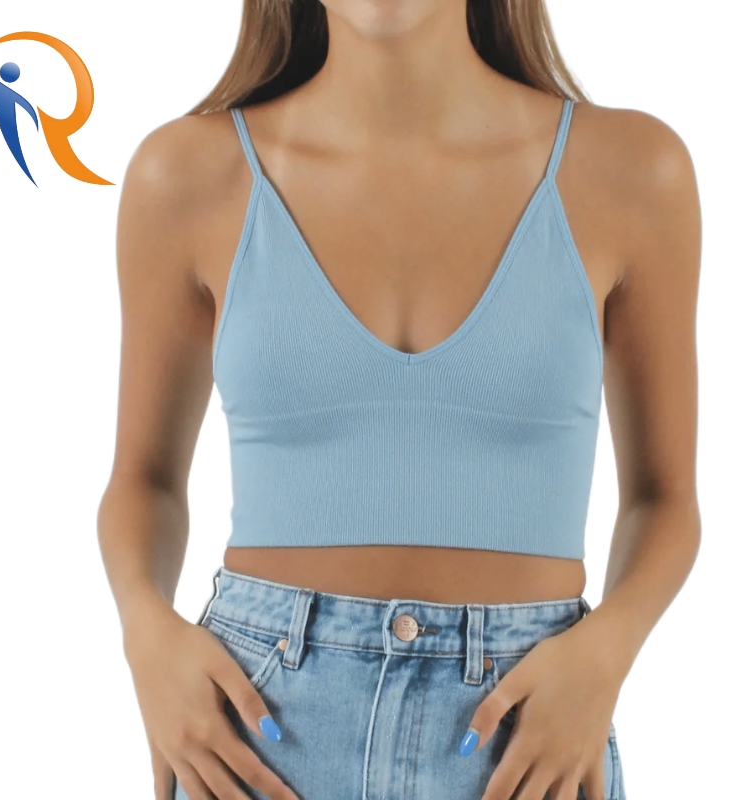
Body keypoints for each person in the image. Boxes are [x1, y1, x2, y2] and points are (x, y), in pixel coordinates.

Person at [97, 2, 702, 799]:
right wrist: (145, 634)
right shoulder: (184, 174)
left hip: (531, 734)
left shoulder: (633, 172)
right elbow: (143, 479)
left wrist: (606, 654)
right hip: (256, 734)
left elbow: (665, 499)